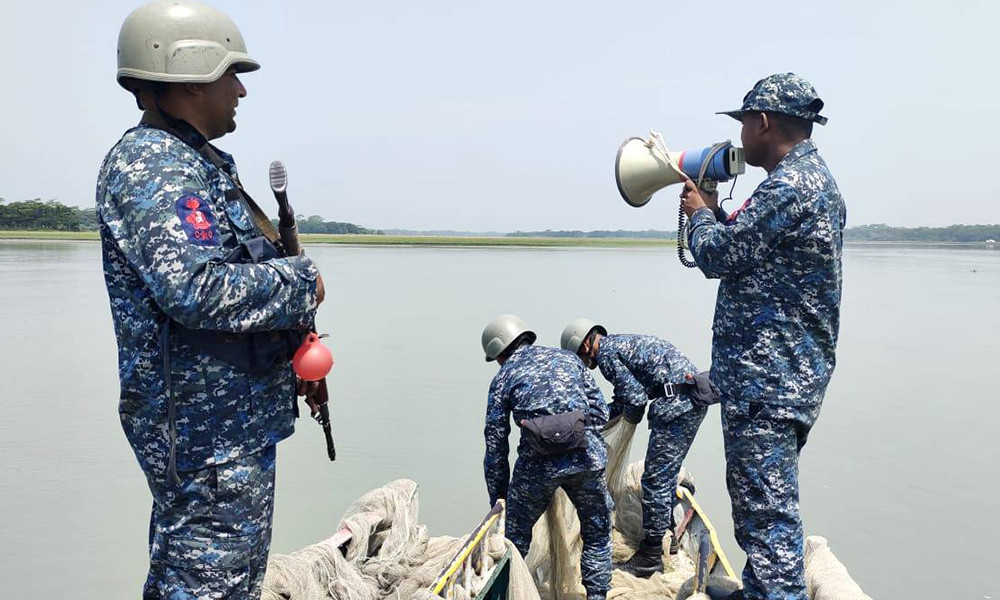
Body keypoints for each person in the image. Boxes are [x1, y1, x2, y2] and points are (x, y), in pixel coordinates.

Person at [97, 2, 326, 597]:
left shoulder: (195, 163)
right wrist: (303, 282)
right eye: (232, 74)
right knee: (203, 584)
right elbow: (196, 289)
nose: (241, 91)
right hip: (205, 439)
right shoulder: (154, 168)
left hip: (229, 428)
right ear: (191, 72)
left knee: (231, 581)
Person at [679, 73, 846, 600]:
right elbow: (755, 253)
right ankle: (758, 592)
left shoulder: (789, 187)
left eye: (744, 122)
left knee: (766, 518)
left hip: (769, 383)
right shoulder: (806, 181)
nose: (741, 135)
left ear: (764, 122)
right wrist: (716, 214)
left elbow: (721, 256)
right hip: (783, 378)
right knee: (762, 507)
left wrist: (700, 218)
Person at [561, 319, 717, 577]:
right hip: (690, 400)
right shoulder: (618, 344)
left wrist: (614, 421)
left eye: (580, 356)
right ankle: (670, 537)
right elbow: (629, 395)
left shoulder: (607, 355)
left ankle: (650, 556)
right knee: (665, 475)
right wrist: (613, 414)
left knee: (655, 479)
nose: (585, 363)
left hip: (677, 406)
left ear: (586, 344)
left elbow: (633, 399)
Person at [481, 314, 612, 600]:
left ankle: (509, 591)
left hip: (537, 468)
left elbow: (495, 442)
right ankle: (598, 595)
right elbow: (601, 411)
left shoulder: (504, 376)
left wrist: (500, 498)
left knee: (513, 540)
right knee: (598, 532)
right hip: (586, 458)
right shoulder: (570, 359)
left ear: (500, 352)